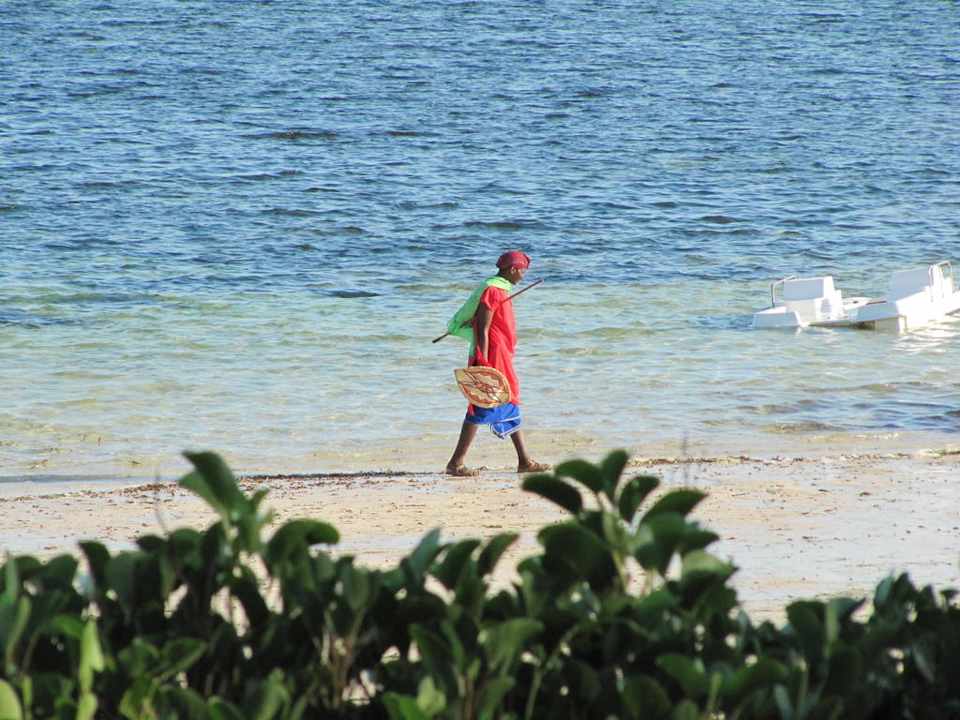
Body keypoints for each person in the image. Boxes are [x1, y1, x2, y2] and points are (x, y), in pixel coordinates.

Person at [444, 250, 551, 477]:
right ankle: (456, 463)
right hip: (490, 354)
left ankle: (524, 461)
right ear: (512, 270)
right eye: (522, 271)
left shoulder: (501, 288)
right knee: (482, 403)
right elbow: (482, 328)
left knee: (508, 399)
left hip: (499, 352)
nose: (523, 276)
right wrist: (482, 361)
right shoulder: (493, 290)